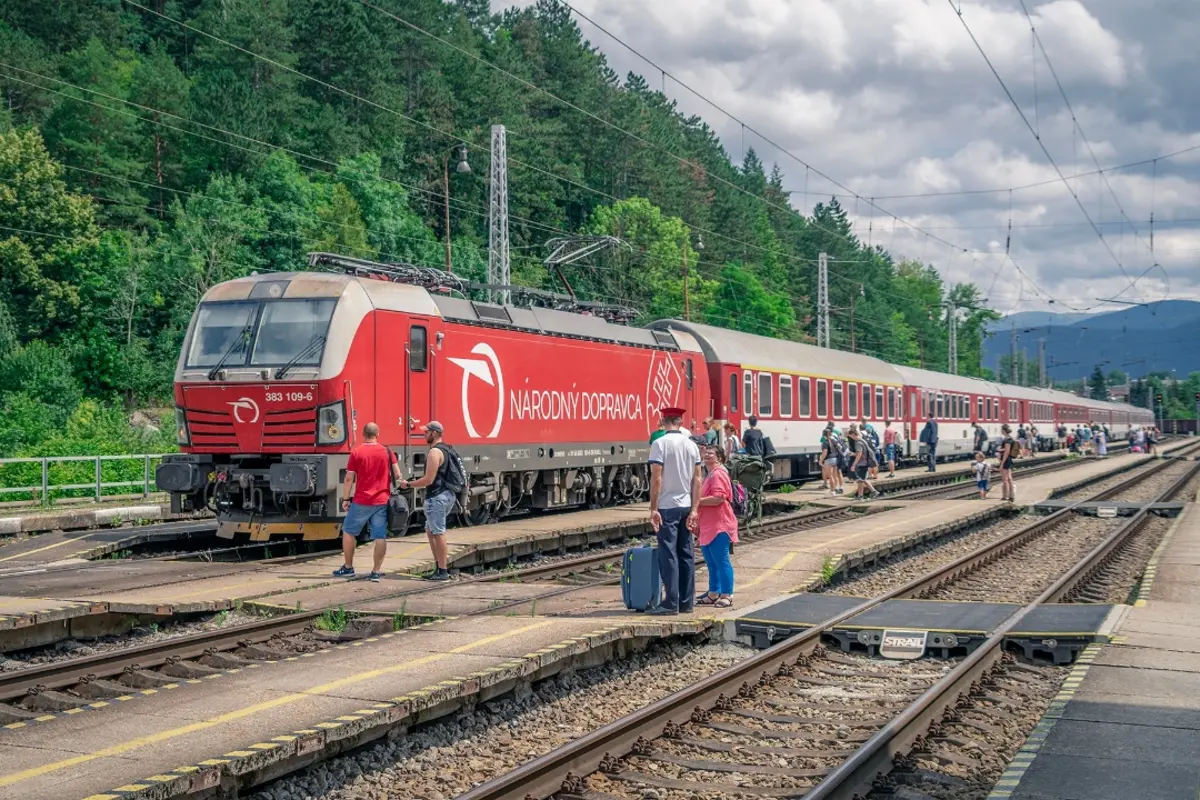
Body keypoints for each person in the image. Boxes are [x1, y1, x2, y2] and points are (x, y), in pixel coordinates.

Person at [648, 406, 702, 616]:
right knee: (686, 553)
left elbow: (657, 478)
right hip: (686, 505)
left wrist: (653, 508)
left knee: (668, 554)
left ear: (663, 421)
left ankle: (671, 602)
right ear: (680, 421)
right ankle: (687, 602)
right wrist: (695, 509)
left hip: (667, 506)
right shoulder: (691, 446)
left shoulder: (659, 444)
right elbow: (697, 479)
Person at [334, 422, 402, 582]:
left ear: (363, 435)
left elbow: (349, 477)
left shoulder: (356, 452)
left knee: (349, 531)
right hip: (381, 501)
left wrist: (345, 499)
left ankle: (348, 567)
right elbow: (398, 474)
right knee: (380, 536)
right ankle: (376, 572)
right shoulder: (387, 451)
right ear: (377, 435)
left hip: (362, 501)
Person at [397, 421, 458, 581]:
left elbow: (429, 480)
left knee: (438, 532)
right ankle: (438, 568)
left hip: (437, 497)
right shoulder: (447, 448)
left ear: (435, 433)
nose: (424, 434)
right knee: (432, 532)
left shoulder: (434, 452)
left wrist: (408, 484)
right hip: (445, 495)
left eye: (427, 432)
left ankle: (443, 570)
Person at [695, 444, 738, 609]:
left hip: (720, 524)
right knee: (712, 562)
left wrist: (696, 502)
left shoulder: (718, 474)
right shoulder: (710, 474)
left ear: (719, 457)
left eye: (711, 453)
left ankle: (727, 594)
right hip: (709, 524)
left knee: (721, 561)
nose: (706, 455)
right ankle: (714, 593)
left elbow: (719, 498)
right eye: (705, 453)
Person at [848, 428, 879, 500]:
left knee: (861, 480)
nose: (851, 438)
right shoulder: (863, 440)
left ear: (853, 434)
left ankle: (872, 492)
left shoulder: (858, 443)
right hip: (865, 462)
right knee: (861, 480)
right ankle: (862, 495)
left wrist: (853, 464)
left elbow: (859, 454)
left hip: (862, 463)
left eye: (850, 436)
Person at [820, 423, 844, 496]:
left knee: (830, 477)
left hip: (828, 460)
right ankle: (837, 488)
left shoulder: (825, 442)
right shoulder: (833, 440)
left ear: (824, 435)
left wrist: (820, 460)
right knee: (835, 475)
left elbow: (825, 452)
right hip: (835, 459)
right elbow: (840, 447)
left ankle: (833, 491)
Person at [998, 423, 1016, 503]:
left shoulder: (1007, 440)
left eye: (1001, 430)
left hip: (1006, 460)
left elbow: (1007, 452)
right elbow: (1006, 450)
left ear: (1003, 430)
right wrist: (1001, 450)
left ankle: (1005, 496)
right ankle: (1011, 496)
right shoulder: (1010, 439)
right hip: (1008, 460)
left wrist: (1002, 463)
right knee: (1009, 478)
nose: (1000, 431)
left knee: (1005, 479)